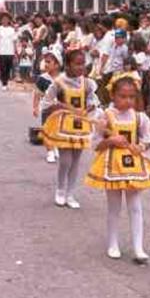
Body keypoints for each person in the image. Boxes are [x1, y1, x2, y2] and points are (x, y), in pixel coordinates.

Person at [85, 74, 150, 264]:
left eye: (131, 97)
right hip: (112, 167)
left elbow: (148, 140)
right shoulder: (105, 117)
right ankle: (113, 243)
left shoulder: (140, 118)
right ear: (113, 95)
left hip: (133, 166)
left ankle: (138, 247)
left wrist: (141, 147)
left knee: (135, 206)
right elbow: (95, 144)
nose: (127, 101)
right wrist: (110, 140)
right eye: (122, 96)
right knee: (114, 206)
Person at [41, 49, 98, 209]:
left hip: (80, 125)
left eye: (83, 64)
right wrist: (60, 106)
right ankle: (60, 189)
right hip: (64, 125)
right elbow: (47, 101)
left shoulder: (87, 83)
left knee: (76, 161)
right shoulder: (59, 82)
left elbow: (92, 100)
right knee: (65, 160)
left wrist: (89, 108)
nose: (81, 67)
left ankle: (70, 193)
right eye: (77, 64)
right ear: (68, 65)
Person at [34, 49, 62, 164]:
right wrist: (35, 107)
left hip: (60, 109)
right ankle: (49, 151)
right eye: (45, 62)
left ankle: (55, 146)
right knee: (47, 130)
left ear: (57, 64)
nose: (46, 64)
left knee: (58, 130)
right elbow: (37, 94)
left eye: (49, 62)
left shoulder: (63, 78)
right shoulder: (42, 79)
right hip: (47, 109)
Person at [0, 13, 18, 91]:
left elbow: (14, 41)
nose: (5, 20)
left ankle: (6, 82)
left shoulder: (11, 29)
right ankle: (3, 83)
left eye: (6, 19)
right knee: (2, 68)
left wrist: (15, 51)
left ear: (9, 20)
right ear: (1, 20)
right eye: (3, 19)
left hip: (10, 51)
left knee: (8, 68)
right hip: (1, 51)